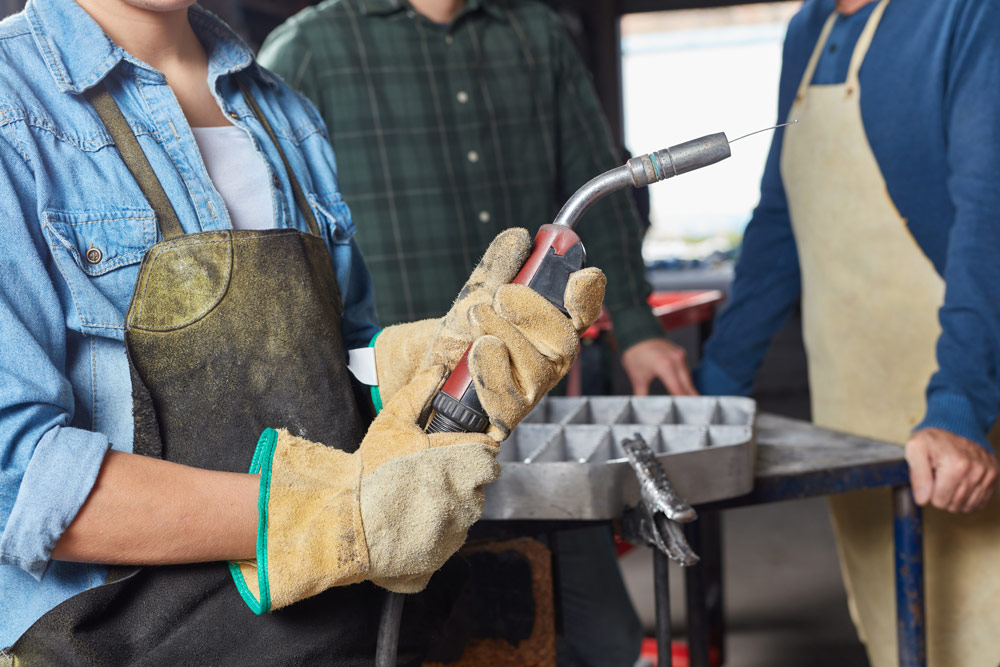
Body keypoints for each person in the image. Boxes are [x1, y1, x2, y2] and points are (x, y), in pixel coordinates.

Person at [0, 0, 604, 664]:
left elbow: (328, 368)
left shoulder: (280, 110)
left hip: (340, 629)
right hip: (121, 642)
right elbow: (20, 479)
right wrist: (334, 515)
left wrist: (417, 364)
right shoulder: (13, 105)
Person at [258, 2, 678, 664]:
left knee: (607, 637)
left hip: (532, 402)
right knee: (448, 641)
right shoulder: (307, 52)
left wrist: (637, 322)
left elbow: (597, 185)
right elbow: (280, 256)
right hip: (408, 433)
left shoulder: (537, 35)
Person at [694, 0, 1000, 664]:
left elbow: (990, 217)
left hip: (961, 422)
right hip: (854, 428)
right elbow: (778, 221)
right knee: (895, 634)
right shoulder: (807, 31)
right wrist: (714, 387)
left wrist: (960, 408)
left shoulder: (968, 13)